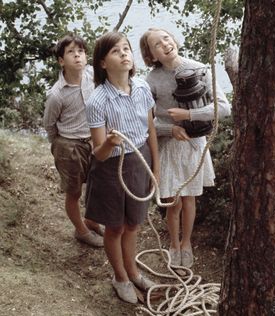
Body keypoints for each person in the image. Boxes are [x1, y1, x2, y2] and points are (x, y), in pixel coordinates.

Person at [139, 28, 231, 268]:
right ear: (152, 55)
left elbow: (223, 108)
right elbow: (145, 121)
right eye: (157, 44)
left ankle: (187, 243)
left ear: (174, 40)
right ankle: (173, 244)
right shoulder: (152, 80)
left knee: (189, 198)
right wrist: (170, 129)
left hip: (193, 144)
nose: (165, 44)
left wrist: (189, 114)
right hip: (168, 146)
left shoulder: (200, 69)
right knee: (173, 201)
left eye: (166, 38)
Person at [85, 31, 160, 304]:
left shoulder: (141, 87)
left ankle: (133, 272)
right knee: (115, 227)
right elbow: (99, 153)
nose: (125, 53)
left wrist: (156, 168)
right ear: (103, 63)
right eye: (117, 51)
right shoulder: (97, 100)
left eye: (127, 48)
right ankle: (120, 277)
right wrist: (111, 142)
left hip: (140, 162)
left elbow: (150, 130)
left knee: (133, 224)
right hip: (111, 169)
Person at [43, 34, 104, 248]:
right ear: (61, 61)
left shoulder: (92, 75)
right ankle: (81, 230)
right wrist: (59, 148)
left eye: (81, 51)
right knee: (74, 191)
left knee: (97, 185)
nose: (77, 55)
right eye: (71, 52)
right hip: (69, 145)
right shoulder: (57, 94)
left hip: (94, 140)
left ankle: (91, 220)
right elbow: (49, 125)